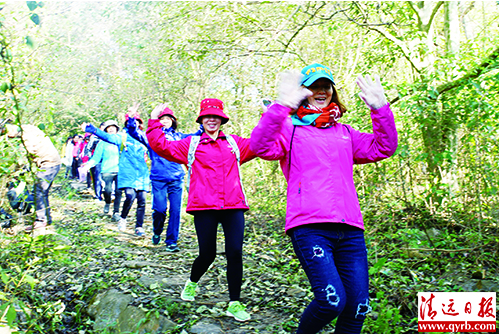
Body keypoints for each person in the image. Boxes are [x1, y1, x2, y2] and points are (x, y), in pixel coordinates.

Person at [249, 64, 398, 334]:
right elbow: (259, 146)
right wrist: (281, 106)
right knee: (331, 302)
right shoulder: (289, 130)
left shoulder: (345, 133)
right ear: (303, 93)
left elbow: (384, 147)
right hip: (310, 227)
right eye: (313, 86)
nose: (321, 91)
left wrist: (381, 109)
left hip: (350, 229)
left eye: (325, 86)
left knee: (358, 307)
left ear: (332, 92)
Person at [146, 98, 257, 322]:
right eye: (207, 116)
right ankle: (192, 283)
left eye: (216, 116)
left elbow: (260, 143)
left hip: (233, 205)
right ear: (201, 119)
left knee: (235, 252)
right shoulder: (191, 144)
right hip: (204, 206)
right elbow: (161, 146)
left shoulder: (234, 144)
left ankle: (234, 303)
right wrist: (154, 120)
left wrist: (270, 117)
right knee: (208, 254)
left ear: (222, 119)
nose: (212, 120)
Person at [126, 105, 202, 252]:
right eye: (162, 118)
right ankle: (157, 230)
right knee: (160, 210)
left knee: (175, 211)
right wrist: (131, 118)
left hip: (176, 178)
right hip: (158, 179)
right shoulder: (151, 138)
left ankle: (171, 241)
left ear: (173, 121)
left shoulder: (179, 137)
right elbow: (134, 132)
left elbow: (197, 136)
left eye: (168, 118)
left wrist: (204, 121)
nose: (165, 121)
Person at [82, 108, 150, 237]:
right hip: (126, 172)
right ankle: (123, 218)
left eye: (138, 122)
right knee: (130, 195)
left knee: (142, 200)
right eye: (133, 122)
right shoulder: (122, 137)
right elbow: (107, 137)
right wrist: (93, 130)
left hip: (141, 173)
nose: (136, 125)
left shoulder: (144, 137)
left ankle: (139, 226)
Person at [4, 123, 62, 231]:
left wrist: (17, 171)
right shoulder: (27, 128)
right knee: (42, 192)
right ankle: (46, 218)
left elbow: (27, 154)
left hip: (49, 163)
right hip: (51, 162)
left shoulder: (26, 135)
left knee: (39, 191)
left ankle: (41, 220)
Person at [81, 120, 122, 220]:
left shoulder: (121, 140)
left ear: (117, 129)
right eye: (109, 127)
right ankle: (107, 202)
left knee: (118, 192)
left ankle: (116, 212)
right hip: (107, 170)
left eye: (114, 127)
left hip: (120, 170)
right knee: (107, 190)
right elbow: (96, 157)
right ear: (106, 130)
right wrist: (88, 165)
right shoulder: (102, 143)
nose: (111, 129)